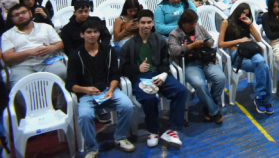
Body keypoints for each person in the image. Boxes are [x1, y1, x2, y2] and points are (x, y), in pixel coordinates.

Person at [64, 16, 136, 156]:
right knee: (84, 115)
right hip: (87, 94)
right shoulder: (75, 56)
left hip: (107, 90)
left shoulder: (109, 51)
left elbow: (115, 75)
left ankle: (120, 137)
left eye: (95, 32)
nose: (92, 35)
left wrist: (110, 90)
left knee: (127, 105)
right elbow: (70, 84)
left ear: (99, 33)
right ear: (82, 34)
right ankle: (92, 147)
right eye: (89, 32)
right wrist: (85, 89)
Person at [119, 10, 186, 149]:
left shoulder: (160, 40)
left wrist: (163, 75)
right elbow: (123, 69)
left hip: (158, 75)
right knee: (150, 99)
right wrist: (138, 69)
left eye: (149, 22)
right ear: (137, 24)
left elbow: (165, 62)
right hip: (140, 77)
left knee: (181, 91)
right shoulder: (128, 45)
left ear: (153, 23)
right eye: (143, 22)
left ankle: (172, 130)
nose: (146, 25)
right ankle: (153, 130)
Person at [168, 9, 225, 124]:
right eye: (191, 23)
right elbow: (174, 51)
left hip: (206, 60)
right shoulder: (174, 34)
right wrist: (191, 46)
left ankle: (208, 107)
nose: (194, 25)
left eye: (195, 22)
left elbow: (212, 41)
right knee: (200, 84)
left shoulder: (200, 28)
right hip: (190, 64)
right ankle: (214, 111)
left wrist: (206, 42)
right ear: (183, 23)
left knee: (221, 79)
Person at [219, 2, 274, 113]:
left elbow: (258, 39)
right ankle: (266, 100)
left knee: (261, 63)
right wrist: (239, 40)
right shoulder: (226, 22)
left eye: (247, 14)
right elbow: (220, 44)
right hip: (237, 54)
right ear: (237, 11)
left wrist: (250, 24)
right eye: (243, 12)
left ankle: (259, 97)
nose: (244, 15)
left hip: (250, 50)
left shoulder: (246, 23)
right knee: (264, 67)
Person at [2, 2, 66, 90]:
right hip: (22, 66)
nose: (20, 16)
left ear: (30, 13)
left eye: (23, 12)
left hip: (47, 61)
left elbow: (60, 44)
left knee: (62, 71)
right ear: (12, 19)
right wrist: (29, 52)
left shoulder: (45, 27)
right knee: (21, 88)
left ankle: (58, 101)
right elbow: (7, 58)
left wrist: (51, 48)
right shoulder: (7, 35)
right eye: (16, 15)